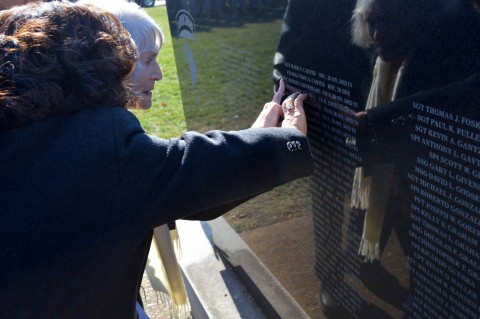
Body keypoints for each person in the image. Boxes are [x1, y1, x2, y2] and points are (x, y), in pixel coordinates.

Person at [0, 2, 313, 318]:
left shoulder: (22, 128)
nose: (158, 73)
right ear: (93, 65)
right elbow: (185, 170)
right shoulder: (94, 143)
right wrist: (283, 140)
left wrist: (257, 137)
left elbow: (174, 187)